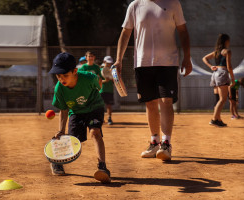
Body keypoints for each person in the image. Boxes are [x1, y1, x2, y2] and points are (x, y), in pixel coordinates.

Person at [114, 0, 192, 161]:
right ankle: (154, 141)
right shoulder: (135, 5)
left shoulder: (173, 3)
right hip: (143, 63)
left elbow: (183, 31)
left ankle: (166, 143)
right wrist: (118, 60)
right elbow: (126, 33)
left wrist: (188, 57)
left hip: (168, 62)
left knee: (166, 100)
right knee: (150, 103)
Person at [48, 52, 111, 183]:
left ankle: (102, 167)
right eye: (58, 76)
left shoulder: (88, 78)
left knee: (95, 132)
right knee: (73, 141)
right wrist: (61, 130)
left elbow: (98, 82)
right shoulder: (59, 89)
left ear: (75, 71)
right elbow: (63, 110)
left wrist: (99, 86)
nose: (61, 79)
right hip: (76, 112)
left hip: (94, 107)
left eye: (65, 75)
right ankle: (56, 161)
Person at [203, 33, 235, 127]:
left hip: (215, 73)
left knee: (220, 99)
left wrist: (211, 66)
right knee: (222, 99)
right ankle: (214, 119)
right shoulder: (227, 51)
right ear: (226, 41)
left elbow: (204, 58)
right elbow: (229, 66)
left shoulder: (216, 52)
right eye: (229, 40)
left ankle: (218, 119)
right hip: (222, 73)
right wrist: (232, 79)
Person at [100, 56, 114, 125]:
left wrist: (112, 79)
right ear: (104, 62)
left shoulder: (113, 70)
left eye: (110, 63)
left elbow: (115, 82)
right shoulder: (100, 70)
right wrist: (105, 80)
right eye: (108, 63)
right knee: (100, 106)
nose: (109, 64)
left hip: (109, 90)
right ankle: (101, 119)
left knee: (109, 105)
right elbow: (97, 81)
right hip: (101, 90)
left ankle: (109, 118)